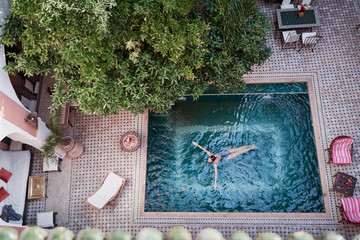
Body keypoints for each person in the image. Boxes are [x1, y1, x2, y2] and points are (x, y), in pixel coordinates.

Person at [192, 142, 257, 189]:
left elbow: (216, 173)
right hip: (226, 152)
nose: (208, 160)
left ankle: (251, 148)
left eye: (209, 160)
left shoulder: (215, 163)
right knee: (237, 149)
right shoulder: (211, 154)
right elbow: (203, 149)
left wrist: (215, 183)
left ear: (212, 160)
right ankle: (250, 146)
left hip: (227, 156)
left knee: (239, 152)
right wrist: (196, 144)